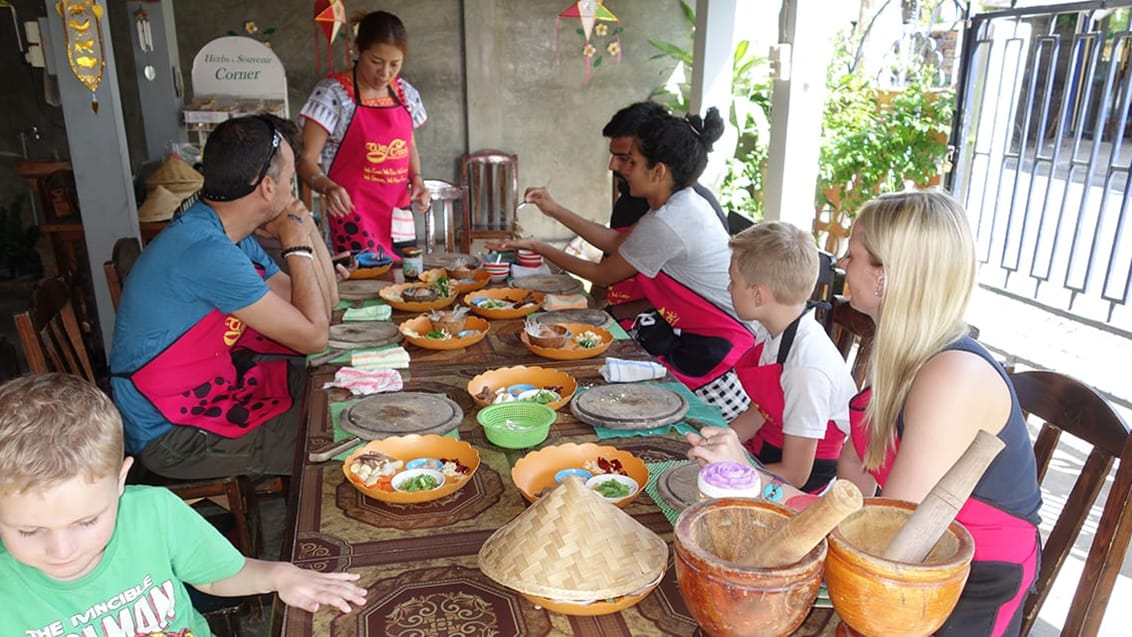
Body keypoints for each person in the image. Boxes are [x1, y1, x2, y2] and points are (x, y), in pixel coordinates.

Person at [0, 373, 367, 633]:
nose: (61, 550)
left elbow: (216, 575)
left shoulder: (155, 513)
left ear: (120, 481)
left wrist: (278, 575)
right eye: (29, 531)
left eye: (86, 522)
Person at [837, 191, 1041, 635]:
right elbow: (854, 469)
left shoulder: (953, 376)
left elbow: (896, 537)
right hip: (916, 562)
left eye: (851, 255)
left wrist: (766, 490)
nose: (841, 265)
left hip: (969, 581)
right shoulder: (907, 354)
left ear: (885, 277)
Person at [110, 114, 337, 481]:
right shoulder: (209, 253)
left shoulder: (226, 233)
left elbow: (324, 306)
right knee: (333, 436)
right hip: (172, 436)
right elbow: (315, 336)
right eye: (291, 181)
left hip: (211, 393)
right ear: (266, 187)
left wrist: (304, 225)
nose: (293, 195)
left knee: (338, 392)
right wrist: (295, 244)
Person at [490, 108, 754, 419]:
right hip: (701, 330)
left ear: (657, 172)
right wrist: (553, 209)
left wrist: (538, 246)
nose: (622, 168)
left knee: (688, 420)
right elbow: (619, 243)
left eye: (632, 162)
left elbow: (603, 272)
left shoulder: (670, 221)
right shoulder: (680, 205)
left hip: (718, 341)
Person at [685, 221, 857, 492]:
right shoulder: (773, 330)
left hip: (799, 487)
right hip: (769, 450)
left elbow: (796, 475)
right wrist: (714, 445)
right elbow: (759, 413)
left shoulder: (807, 368)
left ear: (758, 294)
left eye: (733, 281)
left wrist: (732, 468)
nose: (728, 288)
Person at [299, 10, 430, 257]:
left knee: (402, 285)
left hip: (397, 215)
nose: (385, 73)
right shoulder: (332, 95)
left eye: (395, 64)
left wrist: (418, 180)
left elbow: (408, 145)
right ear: (358, 50)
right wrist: (327, 187)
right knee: (359, 283)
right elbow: (305, 160)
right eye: (376, 61)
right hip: (352, 216)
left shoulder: (405, 93)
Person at [597, 101, 728, 314]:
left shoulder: (680, 214)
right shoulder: (635, 200)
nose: (612, 166)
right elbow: (612, 247)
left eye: (628, 159)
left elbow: (603, 273)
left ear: (657, 165)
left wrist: (612, 314)